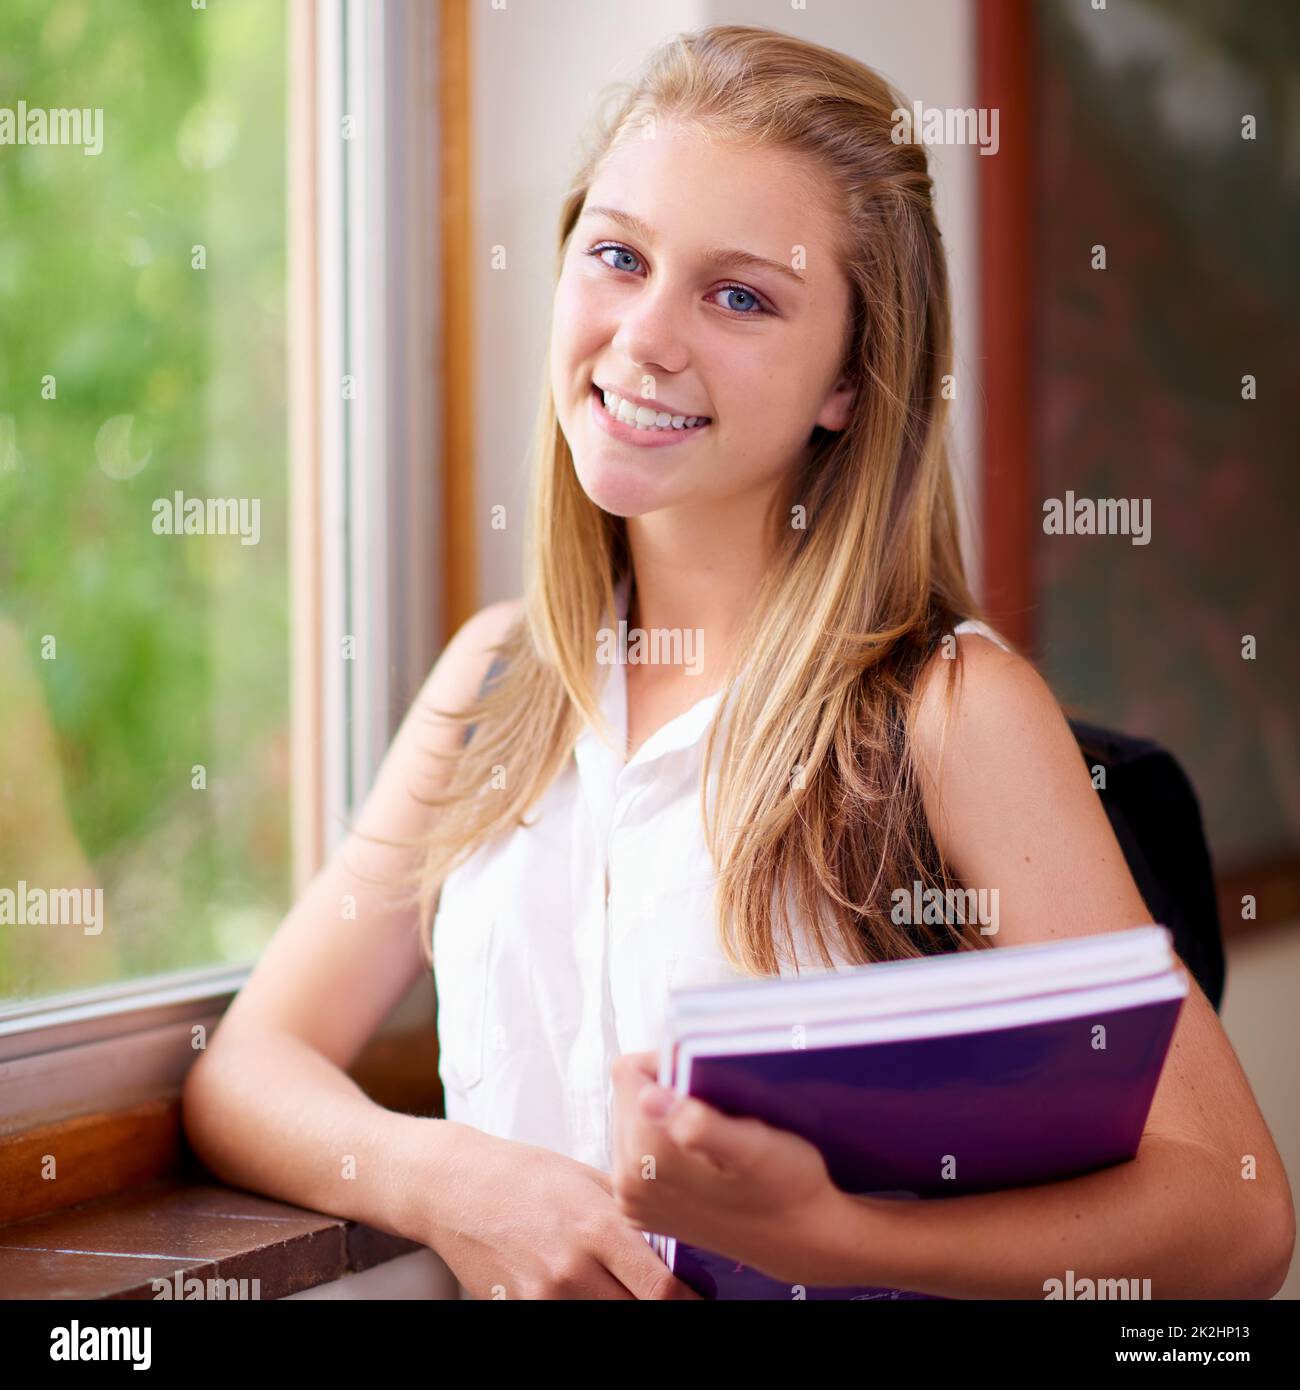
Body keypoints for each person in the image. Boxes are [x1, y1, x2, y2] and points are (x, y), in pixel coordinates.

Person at [182, 24, 1294, 1300]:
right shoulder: (495, 682)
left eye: (740, 295)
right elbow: (248, 1063)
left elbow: (1238, 1213)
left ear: (847, 381)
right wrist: (453, 1181)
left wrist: (830, 1240)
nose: (645, 337)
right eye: (617, 256)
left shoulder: (948, 712)